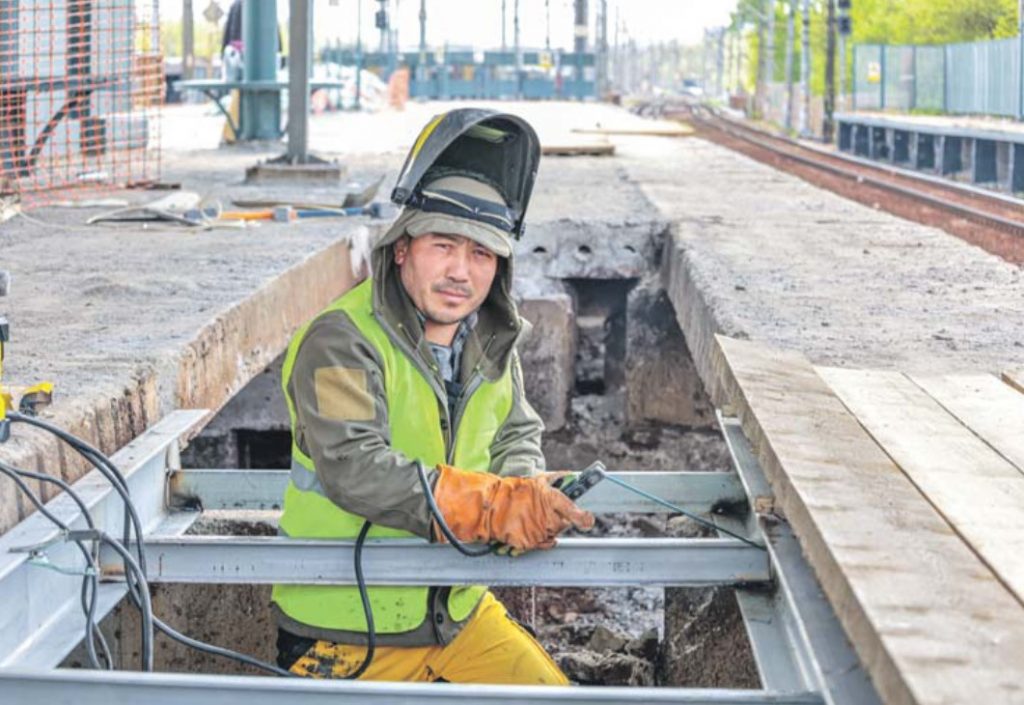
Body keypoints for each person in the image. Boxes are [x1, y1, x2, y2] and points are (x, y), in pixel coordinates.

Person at [271, 109, 594, 685]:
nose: (460, 273)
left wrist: (525, 491)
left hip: (457, 615)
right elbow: (355, 468)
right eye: (443, 245)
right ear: (402, 249)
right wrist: (492, 506)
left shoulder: (492, 336)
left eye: (481, 255)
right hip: (346, 626)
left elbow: (515, 433)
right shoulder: (340, 341)